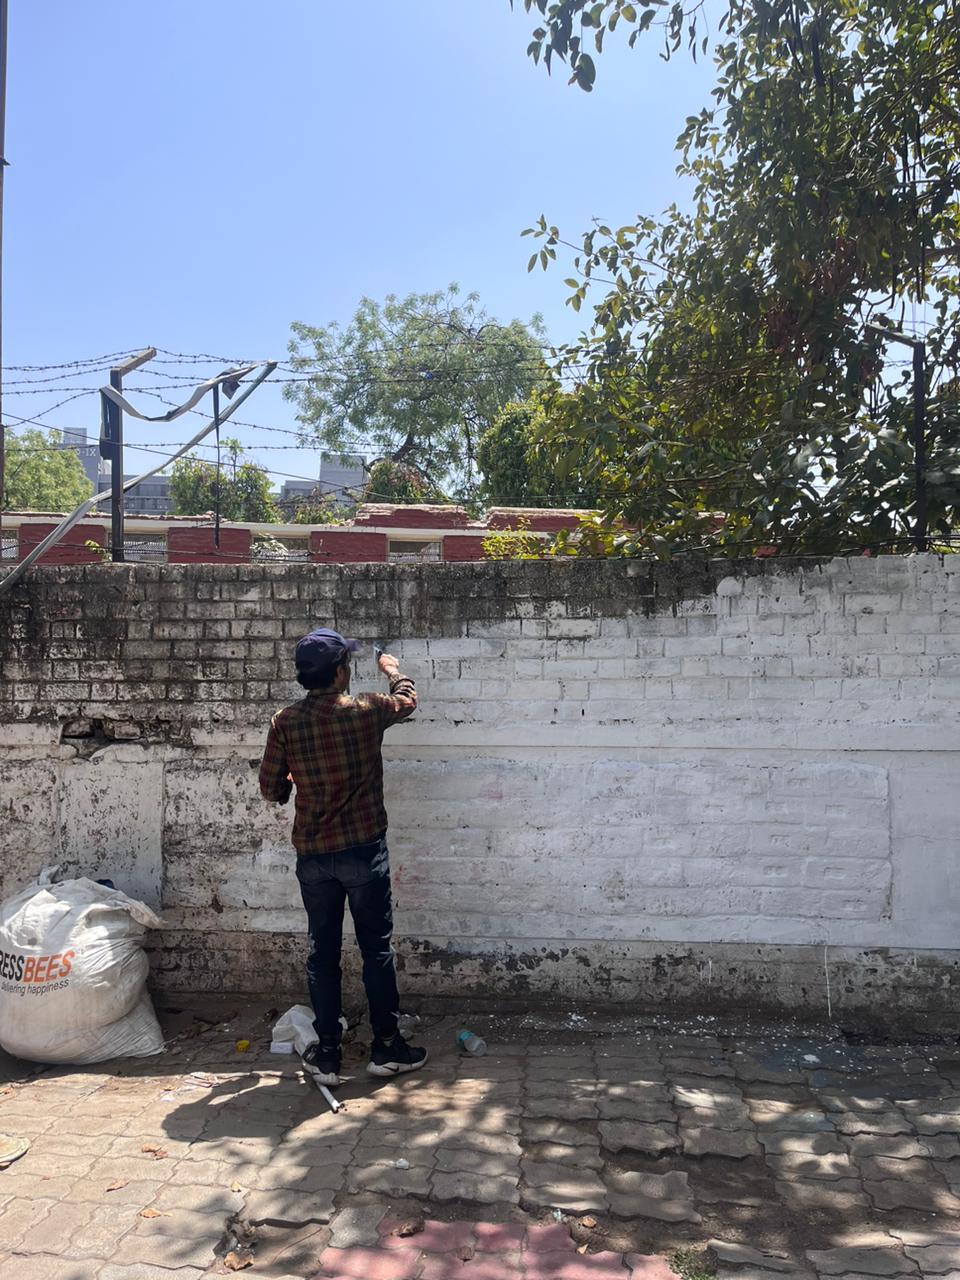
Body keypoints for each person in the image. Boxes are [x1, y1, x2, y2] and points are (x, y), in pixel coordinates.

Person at [259, 627, 427, 1087]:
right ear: (340, 672)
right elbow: (408, 701)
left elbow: (271, 790)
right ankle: (387, 1047)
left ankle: (328, 1053)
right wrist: (393, 671)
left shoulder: (285, 721)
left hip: (314, 856)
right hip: (363, 851)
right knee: (376, 950)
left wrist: (298, 781)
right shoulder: (366, 710)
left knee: (323, 953)